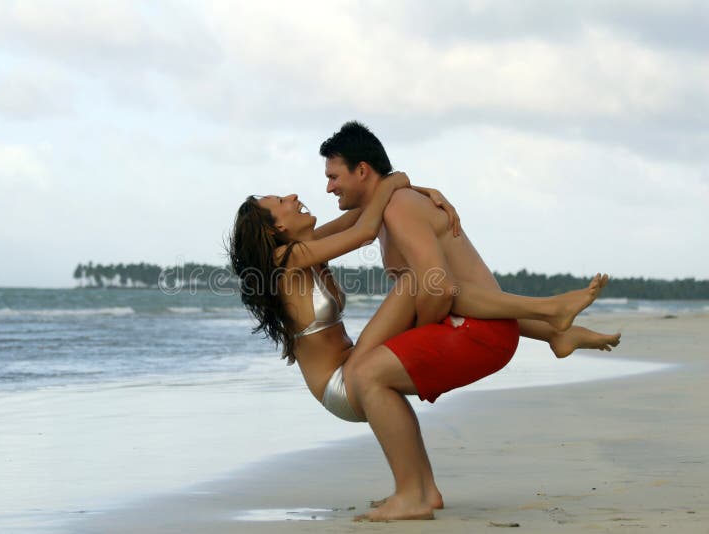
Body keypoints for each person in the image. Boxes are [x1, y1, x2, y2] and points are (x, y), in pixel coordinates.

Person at [228, 138, 619, 521]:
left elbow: (367, 213)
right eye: (280, 202)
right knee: (424, 281)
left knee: (426, 280)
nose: (293, 196)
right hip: (339, 383)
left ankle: (422, 491)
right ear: (274, 229)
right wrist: (397, 182)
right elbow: (365, 229)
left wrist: (407, 186)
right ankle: (549, 314)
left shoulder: (310, 244)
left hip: (354, 359)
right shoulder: (288, 256)